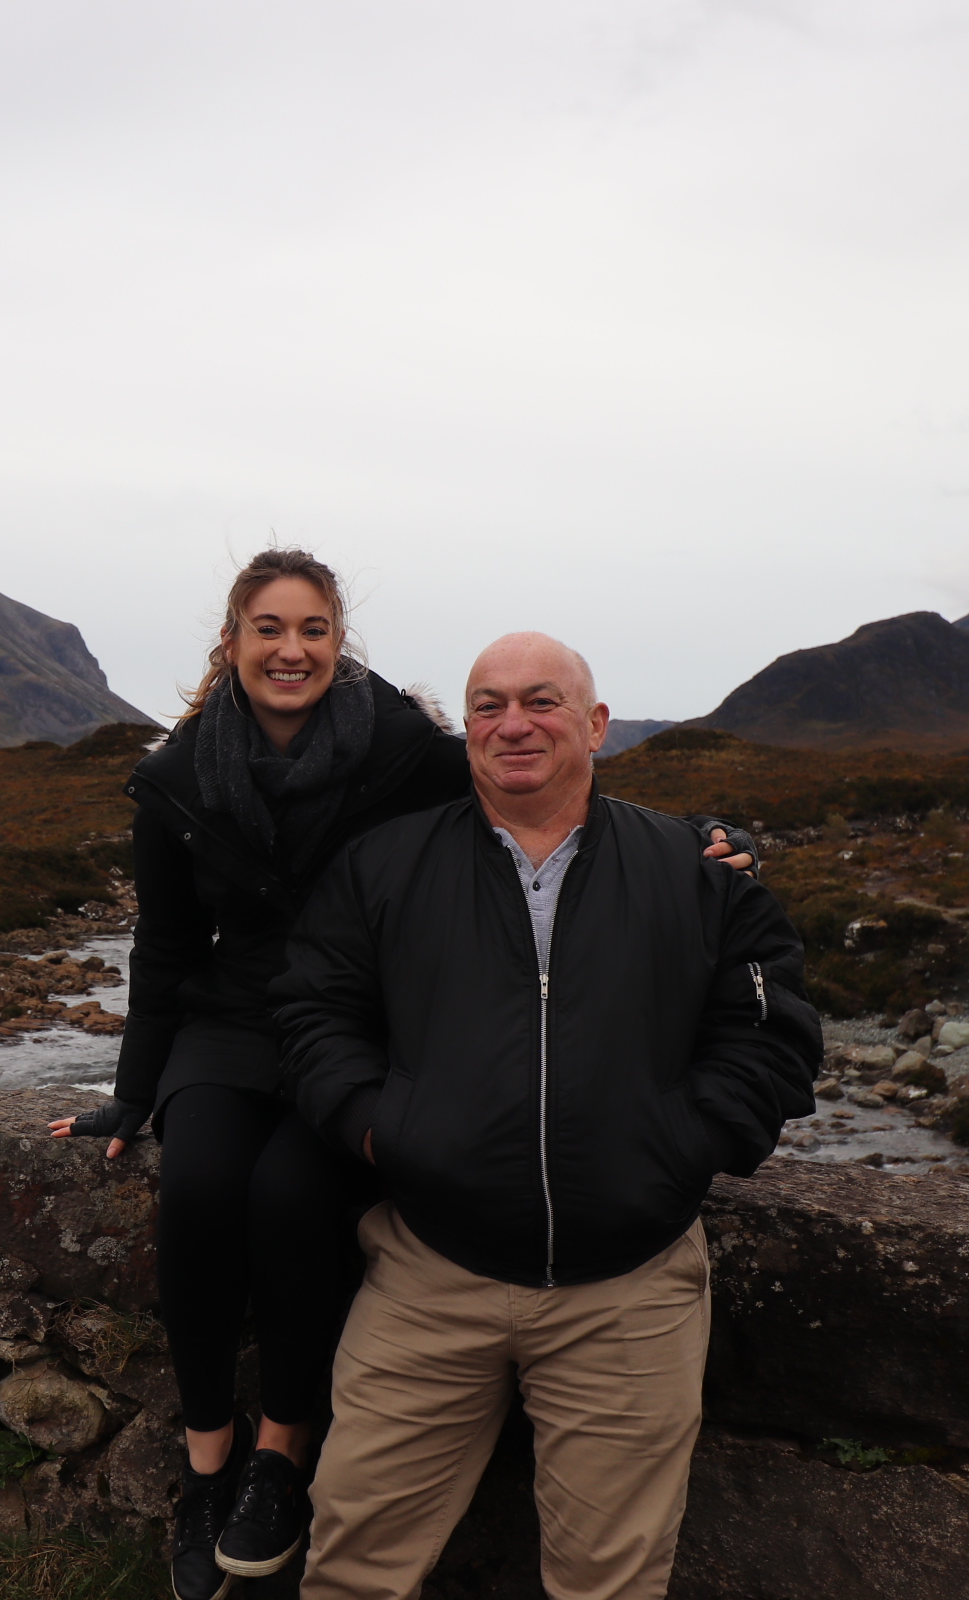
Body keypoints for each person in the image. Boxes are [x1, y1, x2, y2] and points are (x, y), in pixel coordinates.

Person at [48, 555, 758, 1600]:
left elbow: (545, 787)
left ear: (340, 642)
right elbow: (163, 945)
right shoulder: (180, 775)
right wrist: (134, 1091)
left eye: (314, 629)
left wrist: (698, 841)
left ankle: (282, 1458)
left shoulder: (401, 748)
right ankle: (210, 1465)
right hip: (245, 1021)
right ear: (232, 644)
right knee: (197, 1188)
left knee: (295, 1192)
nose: (292, 648)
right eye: (269, 629)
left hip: (369, 1025)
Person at [273, 630, 820, 1600]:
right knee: (351, 1563)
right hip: (430, 1273)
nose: (512, 723)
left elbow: (771, 1029)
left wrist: (681, 1146)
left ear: (596, 724)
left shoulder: (695, 870)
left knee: (608, 1584)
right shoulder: (386, 865)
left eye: (541, 700)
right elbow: (316, 1012)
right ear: (468, 729)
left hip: (631, 1290)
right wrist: (381, 1130)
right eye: (488, 704)